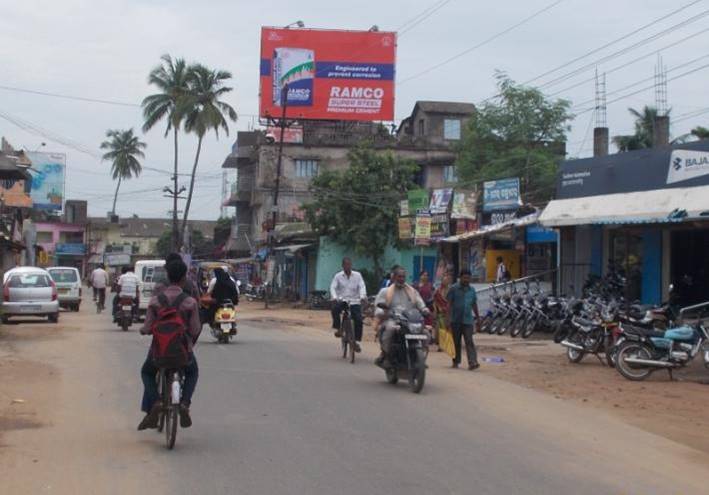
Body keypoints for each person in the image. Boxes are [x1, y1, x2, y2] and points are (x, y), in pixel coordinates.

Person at [138, 258, 201, 431]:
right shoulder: (190, 302)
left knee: (147, 372)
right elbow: (196, 329)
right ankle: (185, 404)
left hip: (159, 352)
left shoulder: (156, 300)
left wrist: (144, 330)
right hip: (183, 352)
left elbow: (148, 327)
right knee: (193, 372)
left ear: (167, 275)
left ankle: (156, 401)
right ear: (183, 278)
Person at [374, 267, 428, 367]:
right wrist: (382, 312)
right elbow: (378, 306)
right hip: (392, 319)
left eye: (403, 277)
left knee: (425, 333)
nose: (401, 279)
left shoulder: (411, 291)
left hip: (409, 321)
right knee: (389, 329)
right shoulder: (385, 291)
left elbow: (419, 302)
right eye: (399, 276)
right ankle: (386, 355)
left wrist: (424, 309)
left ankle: (420, 358)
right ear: (394, 277)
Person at [446, 269, 481, 370]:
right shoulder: (454, 288)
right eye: (464, 278)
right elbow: (448, 304)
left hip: (468, 320)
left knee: (469, 341)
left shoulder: (472, 290)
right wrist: (447, 319)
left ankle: (473, 362)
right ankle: (456, 361)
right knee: (456, 342)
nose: (466, 280)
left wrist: (478, 318)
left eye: (468, 278)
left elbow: (474, 304)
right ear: (460, 278)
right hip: (455, 320)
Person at [330, 257, 367, 352]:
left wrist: (363, 296)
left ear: (351, 265)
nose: (348, 266)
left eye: (349, 264)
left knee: (358, 319)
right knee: (335, 309)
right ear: (342, 266)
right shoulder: (338, 276)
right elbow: (333, 287)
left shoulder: (357, 275)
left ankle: (356, 340)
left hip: (354, 301)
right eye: (346, 265)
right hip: (342, 300)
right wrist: (334, 297)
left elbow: (362, 286)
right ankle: (338, 328)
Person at [432, 273, 452, 348]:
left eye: (447, 280)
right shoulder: (438, 291)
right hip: (440, 313)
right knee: (439, 329)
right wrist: (435, 310)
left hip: (449, 313)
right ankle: (441, 345)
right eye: (444, 280)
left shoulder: (451, 291)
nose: (445, 282)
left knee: (448, 328)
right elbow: (435, 301)